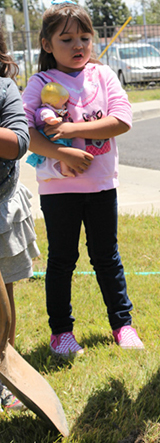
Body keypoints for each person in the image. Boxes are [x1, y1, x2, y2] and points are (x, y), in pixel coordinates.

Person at [22, 1, 144, 358]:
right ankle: (61, 333)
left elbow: (121, 120)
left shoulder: (102, 76)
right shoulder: (40, 82)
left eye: (85, 37)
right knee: (62, 260)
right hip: (59, 190)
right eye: (67, 39)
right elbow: (24, 131)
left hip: (102, 186)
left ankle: (122, 325)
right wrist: (63, 153)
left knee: (107, 257)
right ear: (47, 45)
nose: (78, 46)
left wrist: (70, 128)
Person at [0, 28, 40, 411]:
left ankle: (4, 373)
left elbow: (18, 143)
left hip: (0, 210)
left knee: (1, 301)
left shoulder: (3, 88)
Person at [26, 82, 73, 176]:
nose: (64, 107)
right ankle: (64, 169)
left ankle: (50, 173)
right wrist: (53, 120)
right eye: (63, 104)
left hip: (50, 133)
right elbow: (47, 117)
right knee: (62, 150)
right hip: (47, 134)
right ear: (52, 103)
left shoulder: (52, 109)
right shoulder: (46, 110)